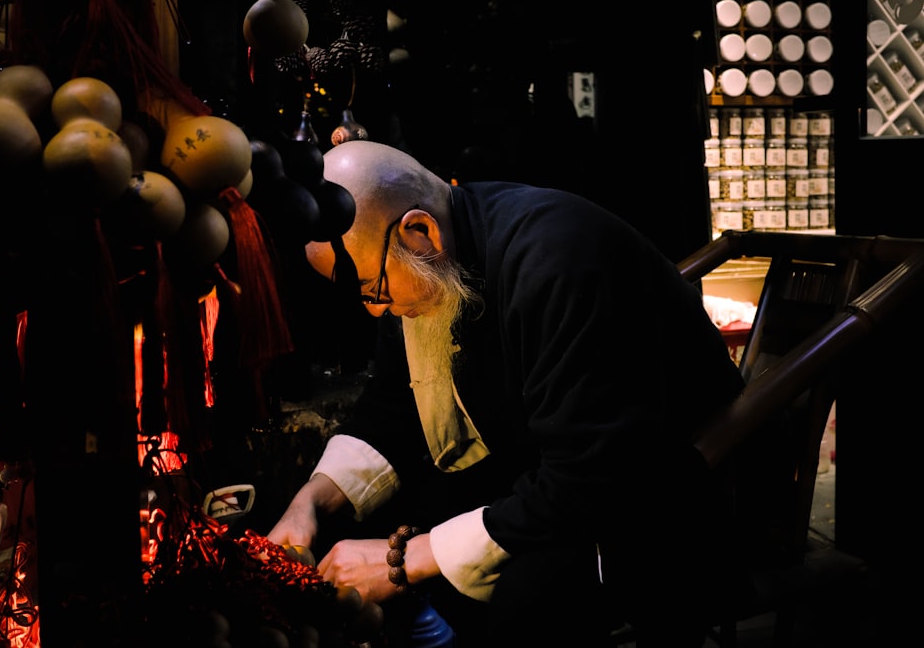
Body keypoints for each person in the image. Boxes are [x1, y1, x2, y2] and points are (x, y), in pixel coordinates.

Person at [266, 140, 745, 646]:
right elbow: (393, 407)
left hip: (661, 495)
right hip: (548, 469)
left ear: (420, 232)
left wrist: (405, 563)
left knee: (526, 598)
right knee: (346, 536)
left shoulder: (556, 257)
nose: (374, 309)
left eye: (373, 288)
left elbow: (591, 474)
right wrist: (309, 503)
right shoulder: (430, 258)